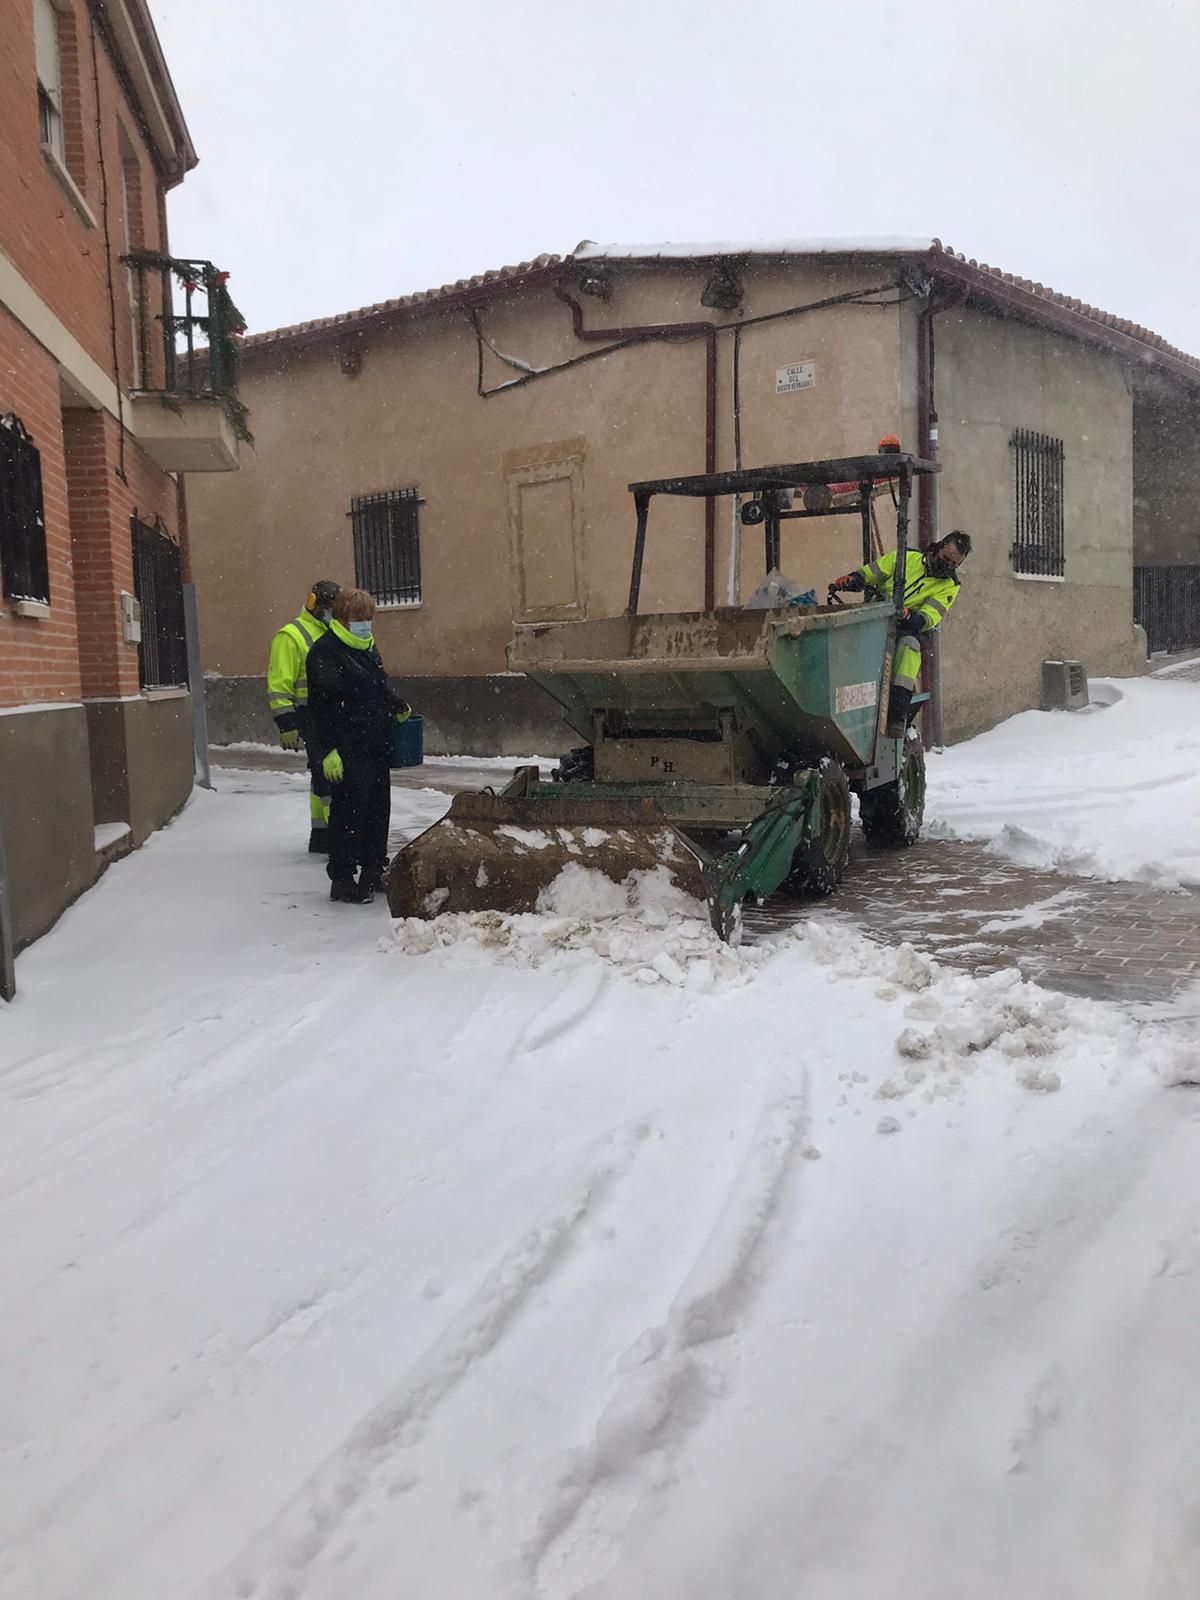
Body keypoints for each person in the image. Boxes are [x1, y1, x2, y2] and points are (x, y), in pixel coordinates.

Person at [305, 587, 412, 904]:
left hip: (376, 744)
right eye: (358, 619)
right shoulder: (325, 652)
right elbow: (321, 708)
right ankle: (342, 879)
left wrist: (395, 704)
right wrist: (328, 751)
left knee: (378, 810)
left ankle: (373, 869)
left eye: (368, 618)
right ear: (341, 618)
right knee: (349, 814)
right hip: (346, 748)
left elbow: (377, 684)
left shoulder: (366, 646)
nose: (365, 624)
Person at [832, 530, 971, 737]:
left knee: (909, 649)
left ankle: (897, 715)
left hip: (905, 629)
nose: (946, 565)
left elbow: (930, 616)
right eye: (945, 558)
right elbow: (871, 573)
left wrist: (909, 616)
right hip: (875, 617)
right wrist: (852, 579)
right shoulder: (905, 558)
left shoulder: (950, 586)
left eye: (953, 564)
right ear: (940, 547)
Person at [266, 580, 340, 852]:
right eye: (330, 607)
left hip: (331, 714)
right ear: (314, 604)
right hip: (308, 714)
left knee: (322, 775)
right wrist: (286, 723)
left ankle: (322, 835)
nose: (333, 612)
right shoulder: (291, 635)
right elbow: (278, 685)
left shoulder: (333, 630)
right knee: (326, 775)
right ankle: (332, 835)